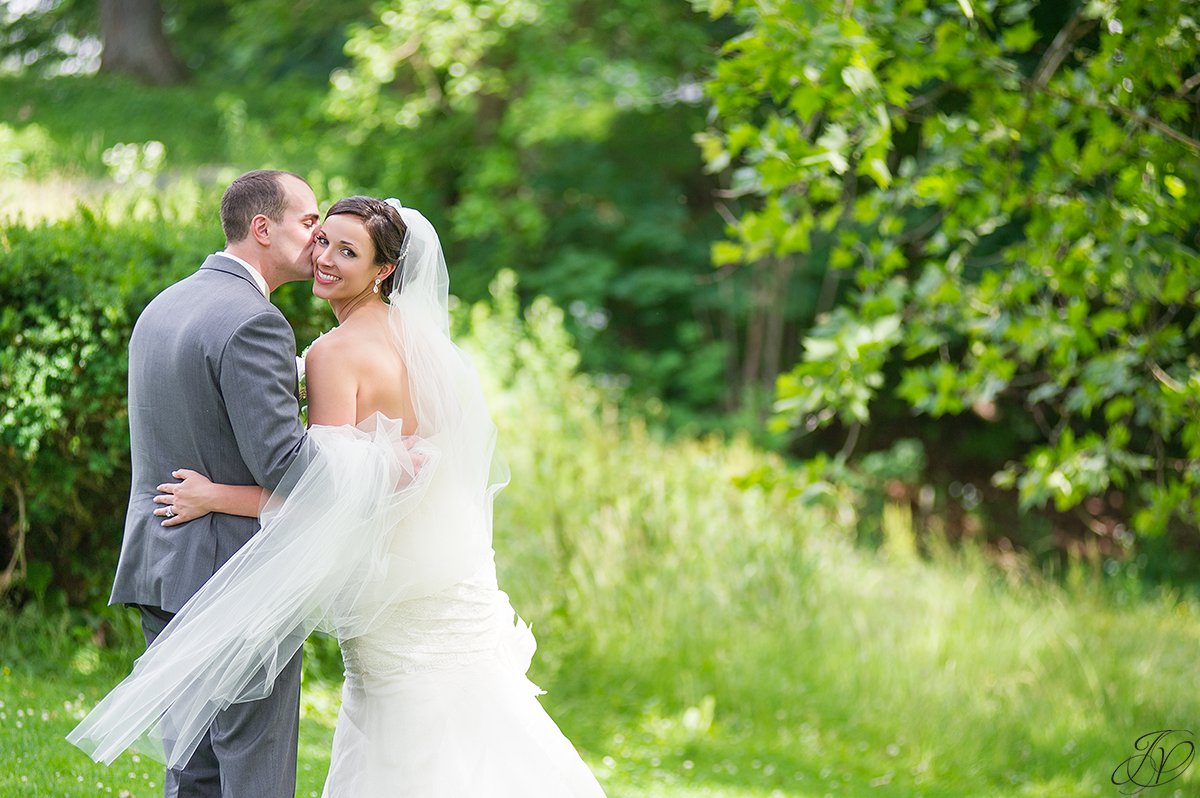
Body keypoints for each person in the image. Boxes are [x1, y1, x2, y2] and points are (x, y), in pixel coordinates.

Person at [69, 197, 607, 797]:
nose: (323, 258)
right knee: (475, 722)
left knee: (396, 735)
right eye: (322, 239)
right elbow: (385, 473)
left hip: (391, 598)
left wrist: (216, 495)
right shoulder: (432, 350)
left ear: (383, 270)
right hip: (448, 585)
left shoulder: (332, 353)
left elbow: (322, 497)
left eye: (346, 251)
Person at [88, 169, 319, 798]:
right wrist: (366, 451)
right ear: (262, 227)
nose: (319, 234)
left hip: (162, 560)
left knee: (191, 766)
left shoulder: (165, 304)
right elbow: (289, 468)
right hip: (235, 572)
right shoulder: (255, 322)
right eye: (308, 220)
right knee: (254, 768)